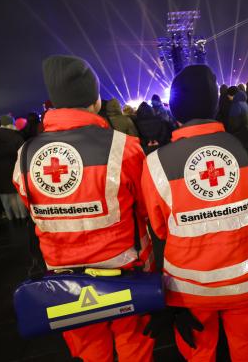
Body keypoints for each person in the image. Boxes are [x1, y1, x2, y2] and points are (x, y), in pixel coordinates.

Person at [12, 55, 154, 362]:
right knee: (134, 345)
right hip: (126, 271)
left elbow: (32, 207)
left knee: (89, 351)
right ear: (95, 100)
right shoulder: (125, 147)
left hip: (64, 279)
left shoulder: (26, 156)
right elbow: (146, 208)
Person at [141, 65, 248, 362]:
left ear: (174, 109)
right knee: (246, 351)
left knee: (199, 354)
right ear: (215, 105)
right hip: (245, 279)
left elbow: (159, 228)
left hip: (188, 289)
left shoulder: (156, 162)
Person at [0, 115, 27, 222]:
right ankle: (23, 216)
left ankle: (13, 217)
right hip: (15, 166)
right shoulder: (16, 136)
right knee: (17, 193)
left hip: (2, 169)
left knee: (10, 195)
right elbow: (22, 153)